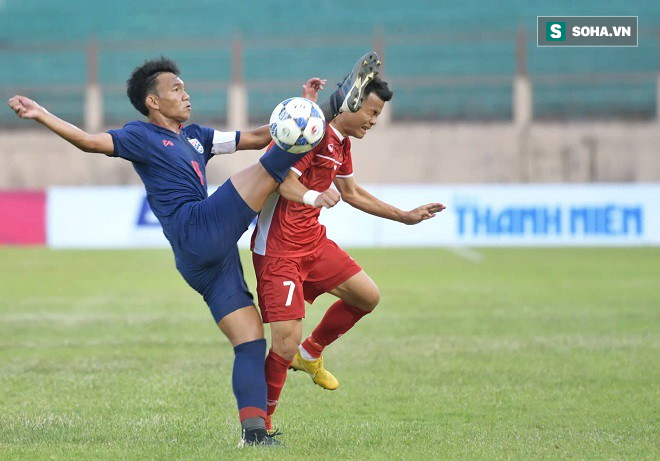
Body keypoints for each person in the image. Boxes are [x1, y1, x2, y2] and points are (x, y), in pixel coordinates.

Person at [7, 52, 380, 446]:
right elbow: (89, 141)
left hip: (206, 260)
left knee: (251, 340)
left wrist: (301, 109)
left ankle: (254, 435)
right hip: (196, 228)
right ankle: (339, 103)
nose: (186, 94)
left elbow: (258, 138)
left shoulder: (196, 136)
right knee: (267, 170)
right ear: (153, 101)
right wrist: (43, 114)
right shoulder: (140, 135)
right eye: (176, 88)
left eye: (184, 86)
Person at [250, 76, 446, 432]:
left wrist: (404, 216)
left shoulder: (341, 144)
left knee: (366, 296)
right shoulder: (315, 135)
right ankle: (259, 427)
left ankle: (310, 353)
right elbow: (284, 181)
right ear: (352, 105)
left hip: (313, 242)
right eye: (371, 112)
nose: (374, 120)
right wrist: (314, 197)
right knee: (283, 341)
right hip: (279, 250)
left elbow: (351, 192)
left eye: (378, 113)